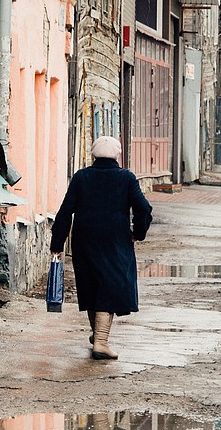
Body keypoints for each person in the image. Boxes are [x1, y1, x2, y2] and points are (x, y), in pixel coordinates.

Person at [50, 135, 152, 360]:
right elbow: (143, 209)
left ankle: (97, 333)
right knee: (109, 287)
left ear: (93, 155)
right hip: (115, 241)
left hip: (84, 241)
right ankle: (101, 342)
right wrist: (138, 233)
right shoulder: (126, 177)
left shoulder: (82, 177)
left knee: (91, 284)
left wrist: (57, 244)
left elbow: (65, 212)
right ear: (118, 155)